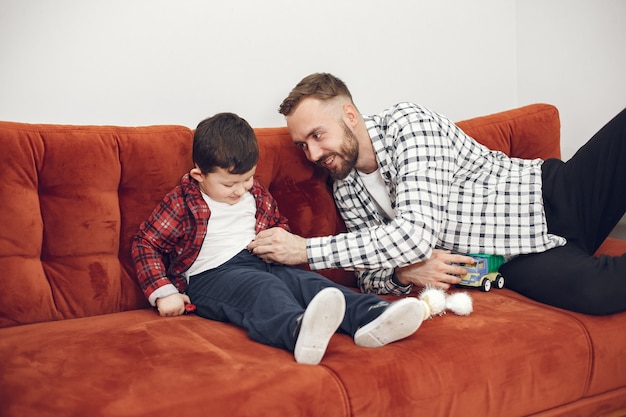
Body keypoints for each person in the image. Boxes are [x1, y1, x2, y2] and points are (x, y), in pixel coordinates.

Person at [247, 72, 626, 315]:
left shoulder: (408, 124)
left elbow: (415, 234)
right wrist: (403, 272)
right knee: (598, 294)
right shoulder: (344, 186)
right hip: (509, 258)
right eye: (301, 145)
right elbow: (367, 277)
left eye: (317, 135)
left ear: (349, 116)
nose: (312, 154)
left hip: (548, 196)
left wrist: (304, 249)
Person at [131, 112, 428, 366]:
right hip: (210, 276)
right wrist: (163, 291)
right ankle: (297, 331)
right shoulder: (183, 201)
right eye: (228, 184)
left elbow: (276, 225)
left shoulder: (255, 193)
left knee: (311, 284)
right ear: (199, 175)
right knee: (265, 288)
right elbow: (146, 243)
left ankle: (373, 315)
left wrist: (279, 236)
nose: (240, 190)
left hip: (261, 261)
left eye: (247, 179)